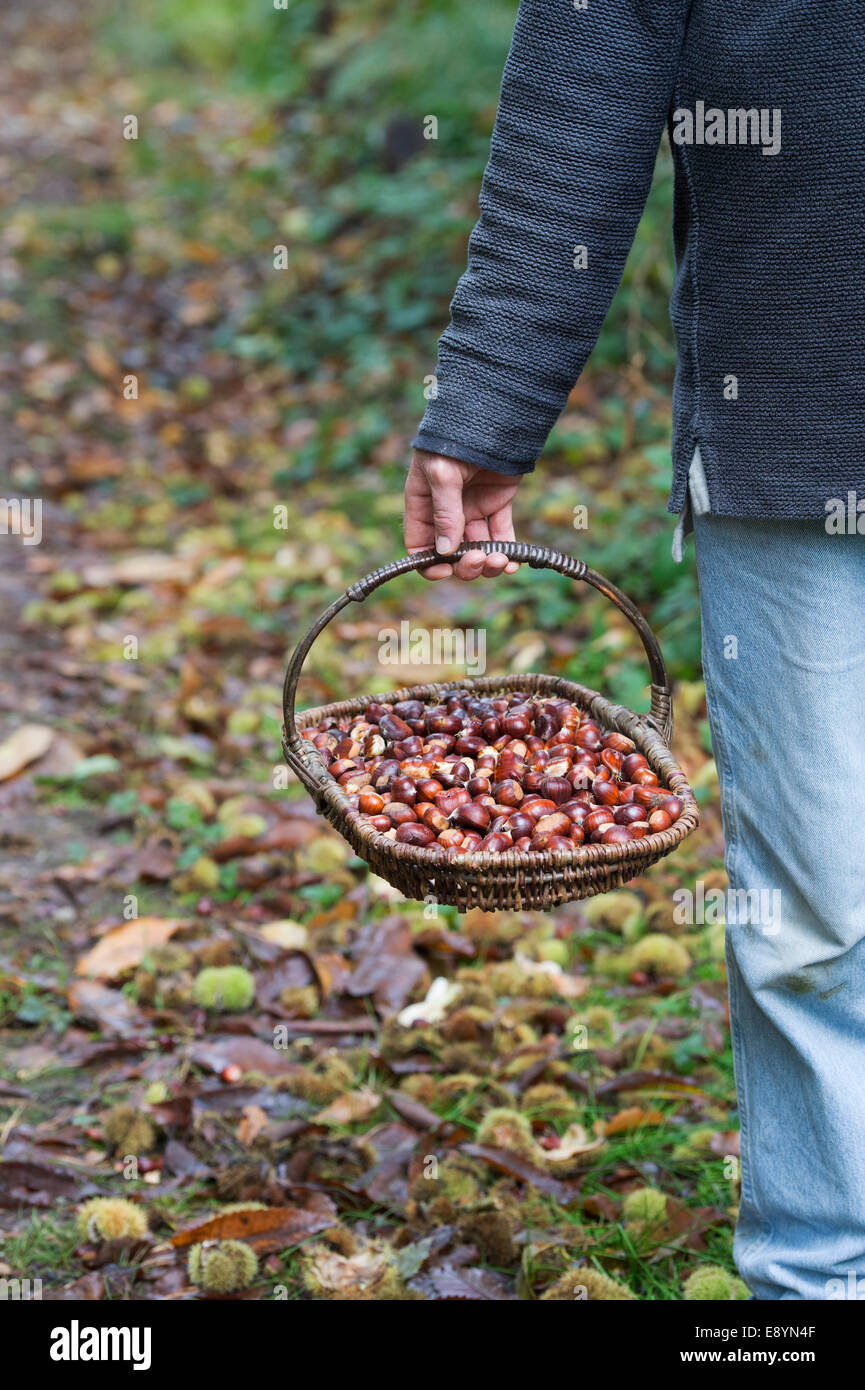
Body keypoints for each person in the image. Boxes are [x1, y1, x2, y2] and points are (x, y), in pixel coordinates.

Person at [403, 0, 865, 1301]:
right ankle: (820, 1280)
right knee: (820, 900)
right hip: (801, 409)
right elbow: (585, 76)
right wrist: (491, 391)